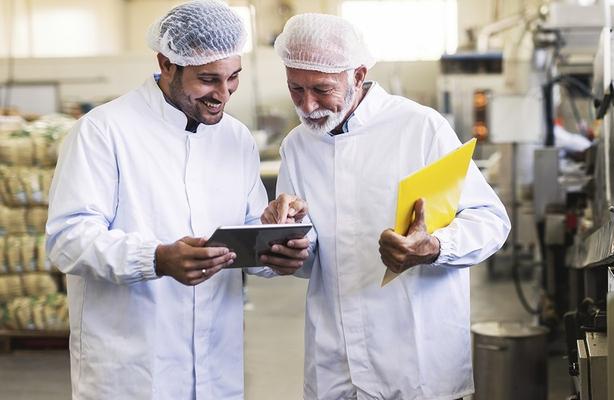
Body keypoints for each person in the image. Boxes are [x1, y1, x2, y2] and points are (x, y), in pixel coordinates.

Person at [45, 1, 308, 398]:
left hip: (216, 370)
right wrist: (156, 259)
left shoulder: (235, 138)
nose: (223, 94)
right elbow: (67, 240)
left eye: (233, 77)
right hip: (132, 373)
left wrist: (274, 240)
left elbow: (246, 241)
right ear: (166, 64)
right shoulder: (104, 132)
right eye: (207, 79)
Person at [260, 13, 511, 400]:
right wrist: (287, 248)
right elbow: (311, 259)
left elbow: (490, 220)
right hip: (335, 362)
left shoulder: (420, 128)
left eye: (321, 89)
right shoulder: (297, 145)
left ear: (357, 75)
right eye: (296, 89)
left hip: (416, 360)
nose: (307, 105)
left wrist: (435, 248)